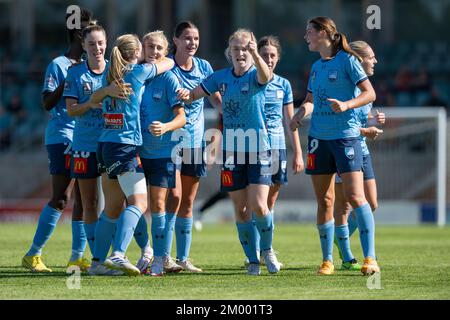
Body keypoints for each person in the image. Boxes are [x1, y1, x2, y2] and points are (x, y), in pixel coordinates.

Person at [178, 29, 281, 276]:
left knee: (259, 205)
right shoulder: (220, 77)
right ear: (230, 52)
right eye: (236, 49)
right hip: (233, 151)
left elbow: (267, 76)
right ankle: (252, 260)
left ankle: (267, 250)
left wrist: (256, 53)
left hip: (259, 148)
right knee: (241, 209)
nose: (240, 53)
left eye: (245, 49)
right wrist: (184, 95)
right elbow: (194, 95)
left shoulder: (257, 75)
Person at [290, 17, 380, 275]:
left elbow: (369, 93)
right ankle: (328, 260)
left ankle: (370, 258)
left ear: (324, 33)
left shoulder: (349, 61)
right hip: (319, 139)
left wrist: (347, 105)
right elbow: (310, 99)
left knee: (354, 197)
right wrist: (300, 113)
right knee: (325, 201)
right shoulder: (316, 66)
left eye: (309, 32)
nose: (305, 36)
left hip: (346, 138)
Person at [87, 34, 174, 276]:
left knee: (113, 207)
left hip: (105, 145)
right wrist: (162, 53)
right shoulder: (137, 73)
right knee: (139, 203)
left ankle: (96, 263)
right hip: (123, 147)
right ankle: (118, 254)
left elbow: (94, 99)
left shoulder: (108, 76)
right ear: (136, 54)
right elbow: (170, 63)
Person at [22, 9, 94, 273]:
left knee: (84, 199)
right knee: (62, 197)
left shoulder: (93, 65)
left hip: (86, 137)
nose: (92, 35)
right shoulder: (59, 65)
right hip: (62, 135)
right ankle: (33, 254)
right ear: (77, 33)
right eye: (87, 29)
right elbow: (47, 102)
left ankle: (76, 257)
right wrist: (69, 81)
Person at [165, 21, 222, 273]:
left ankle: (183, 258)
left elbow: (219, 103)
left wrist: (216, 139)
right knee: (173, 198)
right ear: (175, 40)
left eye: (196, 38)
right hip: (168, 143)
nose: (192, 43)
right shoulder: (164, 66)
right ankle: (162, 256)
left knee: (187, 202)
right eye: (187, 38)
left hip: (196, 142)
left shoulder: (204, 67)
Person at [333, 40, 385, 271]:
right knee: (344, 206)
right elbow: (340, 121)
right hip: (343, 147)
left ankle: (339, 237)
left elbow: (358, 120)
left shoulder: (366, 88)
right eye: (371, 57)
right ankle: (346, 257)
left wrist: (373, 121)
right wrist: (367, 130)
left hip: (362, 150)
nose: (375, 61)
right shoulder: (346, 87)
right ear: (359, 59)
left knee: (371, 202)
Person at [139, 30, 186, 276]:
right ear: (142, 49)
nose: (154, 52)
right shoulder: (135, 75)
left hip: (160, 153)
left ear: (165, 51)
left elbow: (182, 117)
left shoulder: (168, 79)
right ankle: (145, 251)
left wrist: (165, 127)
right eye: (150, 47)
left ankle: (159, 259)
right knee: (133, 206)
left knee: (157, 204)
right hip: (134, 152)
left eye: (158, 48)